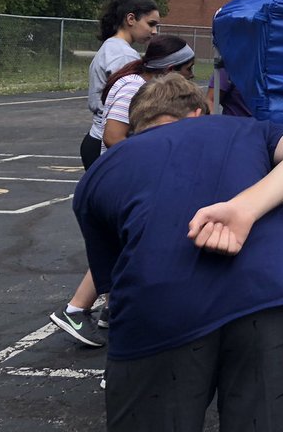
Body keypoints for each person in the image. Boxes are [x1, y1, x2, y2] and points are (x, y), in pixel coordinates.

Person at [72, 74, 283, 432]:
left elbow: (112, 280)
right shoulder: (246, 129)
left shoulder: (102, 170)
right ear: (199, 112)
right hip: (269, 298)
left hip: (159, 308)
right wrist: (247, 207)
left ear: (137, 126)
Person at [49, 35, 195, 348]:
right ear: (170, 68)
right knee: (123, 241)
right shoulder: (133, 86)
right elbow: (114, 136)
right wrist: (158, 152)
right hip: (116, 173)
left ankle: (110, 308)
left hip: (121, 171)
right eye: (188, 69)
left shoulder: (148, 86)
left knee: (124, 240)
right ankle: (76, 309)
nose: (191, 76)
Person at [80, 0, 159, 169]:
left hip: (97, 138)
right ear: (131, 19)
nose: (154, 31)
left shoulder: (112, 47)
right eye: (151, 24)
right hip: (105, 142)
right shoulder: (123, 55)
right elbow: (127, 101)